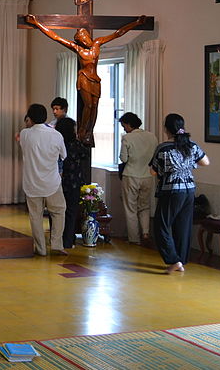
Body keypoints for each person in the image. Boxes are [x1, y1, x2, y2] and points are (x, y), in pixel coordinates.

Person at [24, 14, 146, 146]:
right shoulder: (77, 48)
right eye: (81, 39)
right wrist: (37, 23)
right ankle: (82, 130)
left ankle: (89, 131)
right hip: (84, 78)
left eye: (85, 37)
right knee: (88, 105)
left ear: (88, 36)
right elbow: (55, 37)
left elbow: (118, 33)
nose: (84, 40)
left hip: (95, 80)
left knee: (94, 106)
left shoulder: (97, 44)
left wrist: (136, 23)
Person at [150, 113, 210, 273]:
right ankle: (181, 260)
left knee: (161, 226)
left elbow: (153, 172)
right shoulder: (190, 145)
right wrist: (187, 164)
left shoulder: (163, 148)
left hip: (171, 190)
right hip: (189, 189)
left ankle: (173, 260)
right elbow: (205, 162)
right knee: (183, 225)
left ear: (166, 129)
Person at [18, 103, 67, 256]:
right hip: (52, 182)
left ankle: (41, 249)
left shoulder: (25, 134)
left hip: (31, 183)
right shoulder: (56, 135)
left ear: (30, 118)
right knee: (58, 212)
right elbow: (64, 155)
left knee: (35, 216)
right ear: (46, 117)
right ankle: (57, 245)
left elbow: (22, 140)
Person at [118, 112, 158, 245]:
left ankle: (134, 239)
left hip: (131, 175)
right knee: (145, 206)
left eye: (124, 126)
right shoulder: (152, 136)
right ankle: (146, 233)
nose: (124, 129)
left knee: (130, 208)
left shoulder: (127, 138)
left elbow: (124, 158)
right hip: (148, 175)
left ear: (129, 124)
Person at [56, 117, 85, 249]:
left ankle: (57, 239)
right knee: (71, 212)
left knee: (57, 211)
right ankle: (69, 241)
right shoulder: (76, 144)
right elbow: (85, 155)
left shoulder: (57, 142)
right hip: (74, 182)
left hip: (58, 181)